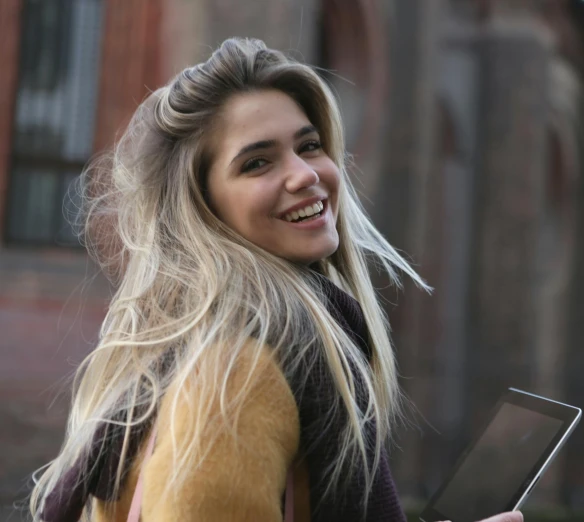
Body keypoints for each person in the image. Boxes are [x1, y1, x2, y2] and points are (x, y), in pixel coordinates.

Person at [29, 38, 523, 522]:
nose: (304, 175)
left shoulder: (204, 347)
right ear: (203, 208)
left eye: (309, 146)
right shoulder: (240, 370)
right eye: (257, 162)